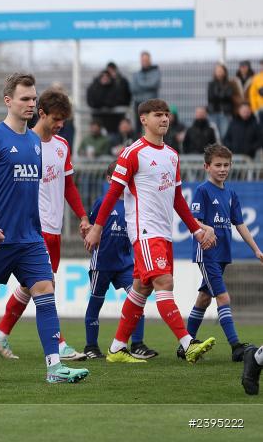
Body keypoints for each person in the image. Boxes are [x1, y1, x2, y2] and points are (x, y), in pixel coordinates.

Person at [0, 73, 89, 384]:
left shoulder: (36, 142)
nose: (31, 104)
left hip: (31, 239)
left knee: (45, 292)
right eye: (25, 99)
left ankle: (54, 368)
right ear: (8, 101)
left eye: (33, 99)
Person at [85, 98, 217, 364]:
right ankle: (187, 343)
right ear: (143, 119)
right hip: (144, 231)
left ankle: (116, 349)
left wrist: (195, 230)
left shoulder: (171, 155)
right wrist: (97, 228)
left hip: (163, 233)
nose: (165, 119)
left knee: (140, 289)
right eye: (158, 115)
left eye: (166, 115)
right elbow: (112, 194)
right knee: (164, 284)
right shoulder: (133, 152)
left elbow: (177, 198)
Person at [185, 144, 263, 362]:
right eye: (217, 165)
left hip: (222, 253)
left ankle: (185, 344)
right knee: (223, 296)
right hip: (207, 253)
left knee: (203, 299)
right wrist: (205, 228)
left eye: (226, 165)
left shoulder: (230, 193)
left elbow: (240, 224)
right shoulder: (202, 190)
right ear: (206, 167)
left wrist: (256, 250)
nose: (222, 169)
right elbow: (193, 220)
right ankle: (236, 347)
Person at [82, 161, 155, 360]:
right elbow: (90, 230)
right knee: (96, 303)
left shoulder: (133, 203)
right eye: (119, 176)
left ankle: (137, 344)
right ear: (109, 179)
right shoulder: (102, 202)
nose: (124, 180)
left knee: (137, 299)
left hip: (125, 264)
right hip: (102, 264)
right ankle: (91, 346)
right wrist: (87, 233)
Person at [207, 63, 242, 139]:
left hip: (226, 113)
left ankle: (224, 151)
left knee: (224, 135)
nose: (219, 72)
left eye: (221, 70)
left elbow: (229, 97)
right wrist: (223, 94)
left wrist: (220, 95)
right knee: (213, 136)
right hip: (213, 113)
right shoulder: (211, 84)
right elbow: (211, 98)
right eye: (217, 71)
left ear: (225, 72)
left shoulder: (230, 84)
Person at [131, 51, 161, 127]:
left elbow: (153, 84)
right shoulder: (137, 73)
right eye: (143, 60)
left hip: (151, 105)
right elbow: (133, 88)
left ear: (150, 60)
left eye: (146, 60)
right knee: (138, 127)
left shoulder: (156, 72)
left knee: (151, 126)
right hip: (138, 105)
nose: (144, 62)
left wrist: (140, 83)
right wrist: (146, 86)